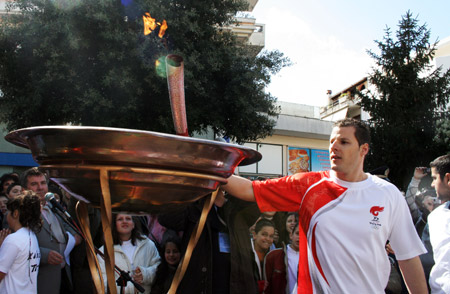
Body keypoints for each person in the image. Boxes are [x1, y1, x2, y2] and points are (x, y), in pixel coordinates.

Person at [222, 118, 428, 294]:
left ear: (363, 149)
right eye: (331, 141)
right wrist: (208, 166)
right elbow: (249, 190)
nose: (334, 147)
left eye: (344, 142)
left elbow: (407, 256)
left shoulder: (387, 194)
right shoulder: (308, 185)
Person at [20, 167, 81, 294]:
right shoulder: (19, 212)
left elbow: (68, 226)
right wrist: (43, 254)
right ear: (24, 190)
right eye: (34, 184)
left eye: (43, 183)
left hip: (63, 275)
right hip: (40, 278)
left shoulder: (53, 207)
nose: (40, 188)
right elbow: (16, 244)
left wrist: (75, 236)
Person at [98, 213, 160, 294]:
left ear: (134, 224)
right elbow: (102, 282)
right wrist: (129, 288)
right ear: (114, 224)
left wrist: (144, 275)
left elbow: (159, 269)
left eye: (128, 218)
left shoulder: (148, 245)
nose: (124, 221)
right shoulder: (104, 251)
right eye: (120, 219)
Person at [0, 190, 42, 293]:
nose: (7, 215)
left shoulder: (12, 239)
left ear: (15, 213)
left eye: (9, 212)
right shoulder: (31, 236)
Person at [427, 154, 450, 294]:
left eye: (435, 178)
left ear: (448, 178)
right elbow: (426, 259)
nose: (432, 184)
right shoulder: (435, 217)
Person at [264, 222, 299, 294]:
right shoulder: (273, 256)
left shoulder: (312, 259)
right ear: (291, 235)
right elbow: (267, 286)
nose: (300, 237)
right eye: (297, 233)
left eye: (304, 235)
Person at [251, 218, 275, 293]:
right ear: (254, 235)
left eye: (271, 236)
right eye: (264, 234)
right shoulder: (244, 253)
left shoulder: (273, 255)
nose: (268, 239)